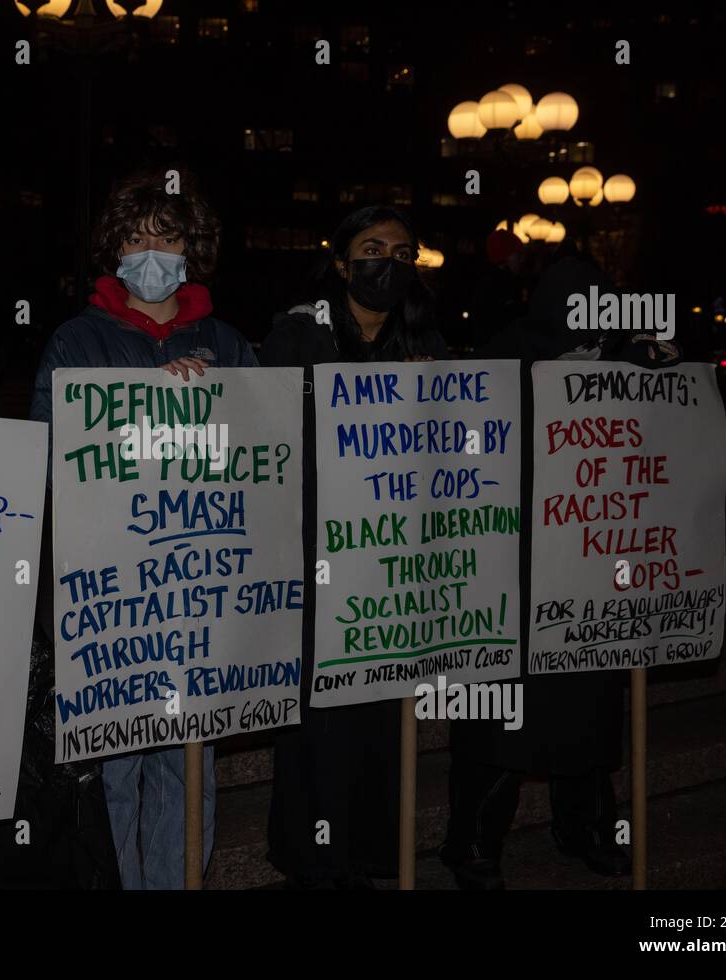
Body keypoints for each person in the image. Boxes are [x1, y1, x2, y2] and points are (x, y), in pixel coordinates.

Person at [30, 167, 258, 889]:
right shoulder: (76, 341)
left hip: (199, 599)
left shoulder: (226, 340)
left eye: (167, 238)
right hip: (110, 601)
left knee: (189, 769)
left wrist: (214, 398)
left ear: (192, 251)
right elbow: (47, 452)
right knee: (115, 769)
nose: (151, 254)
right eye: (136, 238)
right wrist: (134, 405)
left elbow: (263, 456)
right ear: (113, 250)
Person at [441, 247, 680, 890]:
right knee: (499, 724)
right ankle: (473, 844)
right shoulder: (500, 358)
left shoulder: (626, 362)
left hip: (590, 576)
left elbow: (670, 444)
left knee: (592, 720)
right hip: (512, 579)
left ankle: (587, 831)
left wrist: (660, 366)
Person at [259, 205, 446, 887]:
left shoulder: (429, 343)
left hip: (391, 567)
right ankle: (312, 856)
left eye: (403, 252)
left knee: (381, 718)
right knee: (319, 723)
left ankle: (373, 851)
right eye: (372, 249)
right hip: (316, 564)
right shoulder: (295, 338)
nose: (387, 262)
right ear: (341, 263)